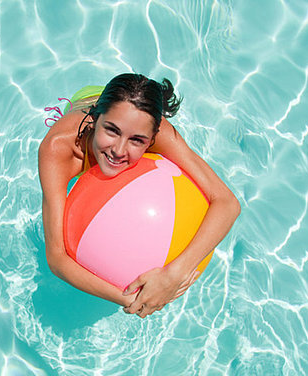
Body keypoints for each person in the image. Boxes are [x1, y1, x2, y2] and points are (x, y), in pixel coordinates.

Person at [38, 73, 240, 318]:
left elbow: (227, 203)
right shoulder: (58, 148)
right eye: (111, 131)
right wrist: (136, 299)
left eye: (137, 141)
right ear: (95, 118)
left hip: (125, 106)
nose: (118, 150)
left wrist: (172, 276)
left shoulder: (159, 133)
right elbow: (57, 257)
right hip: (88, 99)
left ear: (153, 139)